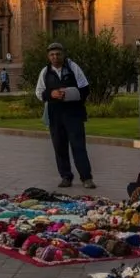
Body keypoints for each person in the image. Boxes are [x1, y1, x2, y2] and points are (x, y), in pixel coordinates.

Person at [35, 41, 95, 189]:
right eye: (52, 55)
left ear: (63, 54)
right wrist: (51, 94)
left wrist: (70, 94)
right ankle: (66, 176)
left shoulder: (73, 67)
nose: (55, 57)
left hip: (73, 113)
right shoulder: (45, 72)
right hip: (55, 115)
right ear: (48, 57)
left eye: (58, 54)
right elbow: (38, 92)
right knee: (59, 147)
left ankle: (86, 178)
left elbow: (85, 88)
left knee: (78, 146)